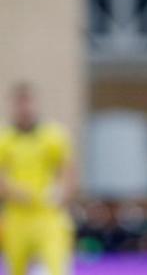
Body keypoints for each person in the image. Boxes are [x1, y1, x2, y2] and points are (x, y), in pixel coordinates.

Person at [0, 83, 76, 275]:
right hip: (16, 216)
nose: (25, 108)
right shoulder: (5, 139)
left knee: (56, 268)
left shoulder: (53, 136)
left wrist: (61, 193)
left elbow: (67, 171)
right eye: (20, 103)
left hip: (48, 215)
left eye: (28, 102)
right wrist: (12, 191)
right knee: (16, 270)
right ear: (13, 107)